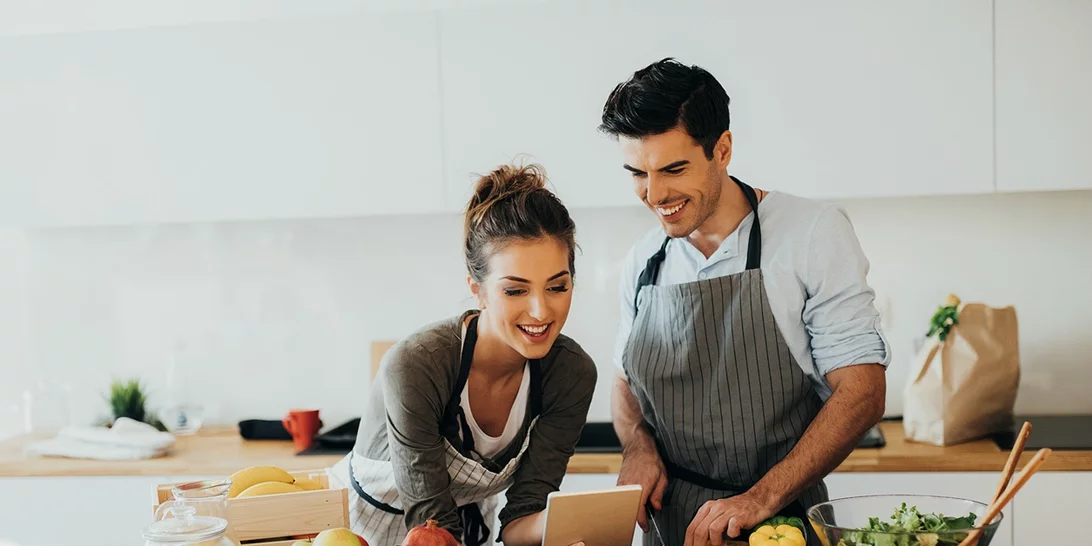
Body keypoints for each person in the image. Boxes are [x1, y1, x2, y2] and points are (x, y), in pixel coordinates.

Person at [599, 58, 890, 546]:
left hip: (780, 521)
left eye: (674, 169)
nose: (654, 194)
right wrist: (637, 446)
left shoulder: (811, 234)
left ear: (723, 149)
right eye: (637, 173)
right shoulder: (644, 259)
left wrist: (759, 498)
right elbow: (625, 384)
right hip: (671, 528)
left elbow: (863, 392)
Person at [328, 163, 597, 546]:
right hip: (361, 529)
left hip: (461, 529)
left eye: (557, 287)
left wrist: (577, 523)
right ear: (478, 289)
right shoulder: (417, 365)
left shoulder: (571, 373)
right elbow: (432, 526)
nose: (540, 311)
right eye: (515, 291)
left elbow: (521, 521)